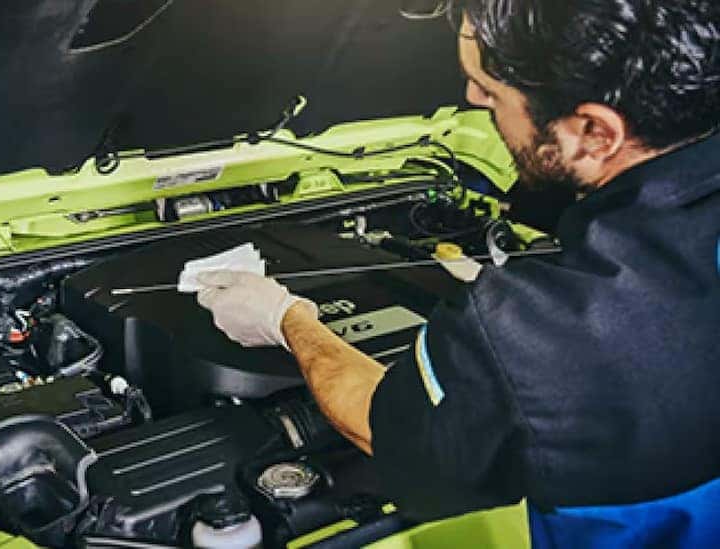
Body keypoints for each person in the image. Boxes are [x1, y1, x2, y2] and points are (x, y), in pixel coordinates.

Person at [195, 1, 720, 547]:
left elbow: (384, 423)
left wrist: (284, 318)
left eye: (490, 92)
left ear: (593, 131)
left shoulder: (543, 335)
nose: (470, 98)